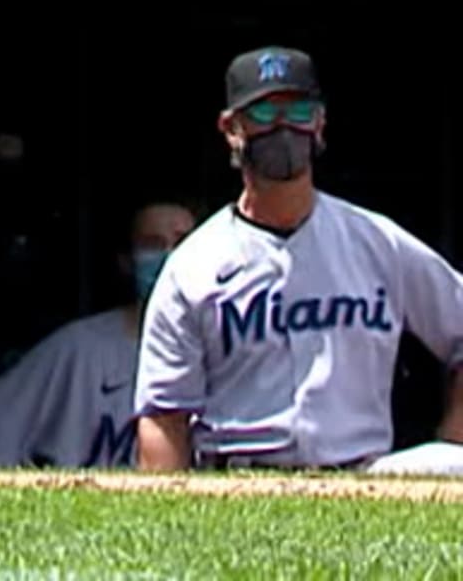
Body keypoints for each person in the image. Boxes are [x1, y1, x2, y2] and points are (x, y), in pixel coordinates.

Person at [137, 48, 463, 475]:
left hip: (362, 477)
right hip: (236, 480)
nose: (284, 127)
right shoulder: (193, 265)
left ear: (320, 121)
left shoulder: (377, 242)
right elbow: (164, 417)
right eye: (265, 113)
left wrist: (453, 433)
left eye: (299, 111)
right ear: (231, 128)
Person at [0, 203, 198, 468]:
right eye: (152, 244)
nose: (169, 256)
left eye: (182, 243)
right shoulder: (78, 348)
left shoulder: (223, 350)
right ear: (125, 261)